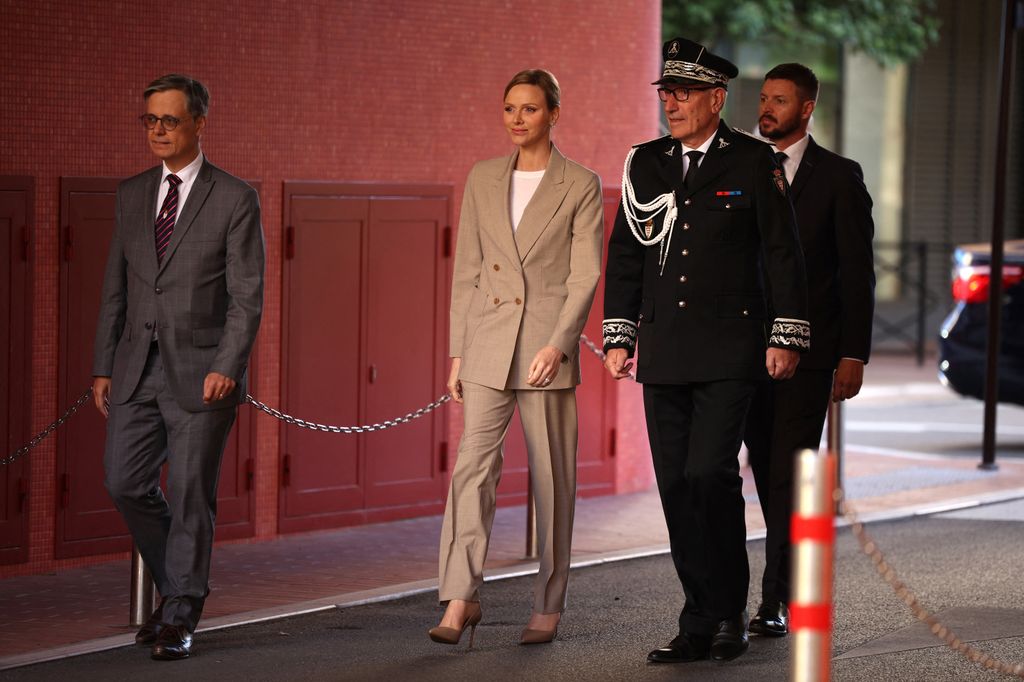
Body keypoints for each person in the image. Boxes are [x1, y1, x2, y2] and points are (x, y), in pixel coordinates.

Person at [602, 38, 809, 664]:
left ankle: (729, 612)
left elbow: (782, 253)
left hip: (730, 350)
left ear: (716, 98)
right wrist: (620, 333)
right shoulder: (646, 163)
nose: (673, 103)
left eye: (684, 93)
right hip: (664, 349)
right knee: (675, 487)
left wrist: (786, 334)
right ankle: (698, 618)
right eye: (667, 92)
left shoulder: (753, 161)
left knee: (708, 475)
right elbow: (626, 253)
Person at [92, 74, 265, 661]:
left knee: (191, 494)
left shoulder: (235, 197)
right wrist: (102, 366)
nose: (158, 130)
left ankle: (181, 614)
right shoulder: (131, 193)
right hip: (136, 368)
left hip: (203, 375)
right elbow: (115, 289)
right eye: (150, 120)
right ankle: (179, 592)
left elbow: (247, 297)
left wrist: (229, 364)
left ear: (198, 123)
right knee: (124, 480)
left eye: (169, 120)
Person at [432, 68, 604, 647]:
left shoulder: (579, 183)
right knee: (470, 472)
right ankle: (459, 597)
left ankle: (549, 603)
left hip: (544, 350)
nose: (517, 119)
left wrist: (558, 344)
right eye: (509, 108)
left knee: (553, 480)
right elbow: (468, 272)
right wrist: (458, 352)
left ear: (554, 113)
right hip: (486, 344)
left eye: (529, 109)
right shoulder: (482, 177)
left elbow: (585, 276)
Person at [744, 63, 875, 637]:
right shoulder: (742, 167)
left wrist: (854, 353)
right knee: (759, 467)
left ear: (807, 108)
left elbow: (857, 273)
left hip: (812, 353)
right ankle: (783, 578)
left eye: (780, 100)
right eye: (764, 98)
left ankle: (776, 597)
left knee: (787, 472)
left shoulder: (840, 177)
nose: (767, 108)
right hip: (745, 351)